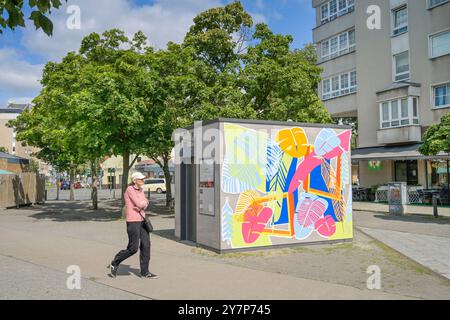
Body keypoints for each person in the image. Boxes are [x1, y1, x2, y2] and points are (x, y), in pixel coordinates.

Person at [108, 172, 158, 279]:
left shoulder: (141, 190)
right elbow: (140, 203)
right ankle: (115, 262)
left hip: (142, 220)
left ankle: (145, 272)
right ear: (135, 180)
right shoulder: (130, 189)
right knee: (133, 248)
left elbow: (145, 202)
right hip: (133, 221)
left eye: (143, 179)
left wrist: (142, 205)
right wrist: (142, 204)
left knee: (146, 245)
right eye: (141, 179)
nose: (143, 181)